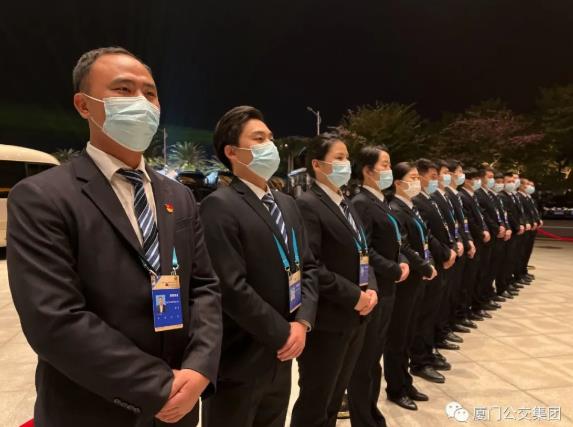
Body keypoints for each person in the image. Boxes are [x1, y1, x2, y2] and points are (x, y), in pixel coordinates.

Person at [7, 47, 222, 427]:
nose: (141, 102)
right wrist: (157, 386)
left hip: (182, 403)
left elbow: (204, 286)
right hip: (94, 406)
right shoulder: (42, 197)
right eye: (123, 90)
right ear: (83, 105)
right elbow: (53, 318)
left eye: (150, 93)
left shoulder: (179, 196)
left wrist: (200, 367)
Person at [200, 106, 318, 427]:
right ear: (232, 152)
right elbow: (231, 287)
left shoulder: (287, 204)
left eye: (270, 137)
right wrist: (283, 333)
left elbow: (307, 266)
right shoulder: (220, 206)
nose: (270, 145)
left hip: (282, 356)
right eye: (259, 138)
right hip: (241, 358)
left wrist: (302, 322)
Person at [291, 133, 378, 427]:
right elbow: (311, 266)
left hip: (356, 317)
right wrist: (355, 296)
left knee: (334, 397)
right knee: (316, 401)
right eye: (338, 158)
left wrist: (371, 288)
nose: (346, 164)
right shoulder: (307, 204)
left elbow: (363, 250)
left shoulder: (345, 202)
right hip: (328, 321)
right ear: (317, 164)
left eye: (347, 158)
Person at [346, 145, 409, 425]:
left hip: (388, 287)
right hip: (375, 288)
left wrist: (402, 260)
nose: (389, 170)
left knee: (374, 358)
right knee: (365, 362)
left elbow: (397, 240)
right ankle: (363, 417)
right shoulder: (361, 202)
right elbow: (365, 250)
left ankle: (371, 413)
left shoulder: (381, 201)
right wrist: (393, 268)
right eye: (384, 165)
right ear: (368, 170)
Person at [386, 162, 438, 411]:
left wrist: (429, 263)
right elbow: (403, 246)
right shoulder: (395, 209)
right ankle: (396, 387)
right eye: (413, 178)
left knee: (408, 334)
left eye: (418, 177)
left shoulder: (411, 206)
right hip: (406, 282)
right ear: (398, 182)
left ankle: (406, 382)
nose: (418, 182)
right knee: (397, 337)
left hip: (417, 279)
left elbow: (425, 239)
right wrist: (424, 266)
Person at [410, 159, 457, 384]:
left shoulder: (430, 199)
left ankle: (429, 352)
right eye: (432, 177)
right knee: (424, 315)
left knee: (432, 312)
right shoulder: (416, 201)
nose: (436, 181)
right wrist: (444, 253)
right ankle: (420, 360)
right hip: (429, 263)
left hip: (438, 262)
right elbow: (427, 236)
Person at [432, 160, 467, 347]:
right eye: (444, 173)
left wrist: (459, 241)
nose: (447, 176)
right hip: (442, 255)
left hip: (452, 249)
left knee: (449, 294)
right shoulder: (433, 197)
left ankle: (446, 327)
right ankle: (440, 332)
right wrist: (448, 250)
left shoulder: (445, 196)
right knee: (439, 300)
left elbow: (455, 224)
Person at [444, 160, 478, 331]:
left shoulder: (455, 195)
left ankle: (456, 318)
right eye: (459, 171)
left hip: (462, 244)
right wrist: (458, 242)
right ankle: (451, 321)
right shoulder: (447, 195)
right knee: (450, 291)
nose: (461, 175)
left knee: (460, 286)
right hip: (452, 248)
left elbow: (462, 222)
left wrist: (467, 240)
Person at [459, 169, 493, 320]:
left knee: (477, 276)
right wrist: (480, 233)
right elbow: (468, 222)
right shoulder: (463, 196)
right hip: (473, 240)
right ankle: (465, 311)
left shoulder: (473, 196)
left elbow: (481, 217)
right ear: (467, 181)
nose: (479, 182)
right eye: (476, 179)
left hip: (480, 240)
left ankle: (474, 306)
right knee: (468, 280)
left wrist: (485, 230)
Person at [474, 166, 504, 310]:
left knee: (490, 269)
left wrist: (502, 226)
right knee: (483, 272)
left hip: (494, 235)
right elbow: (484, 216)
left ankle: (487, 295)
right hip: (487, 236)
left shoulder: (490, 194)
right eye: (490, 177)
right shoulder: (479, 194)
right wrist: (495, 228)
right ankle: (481, 299)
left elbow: (497, 214)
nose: (492, 180)